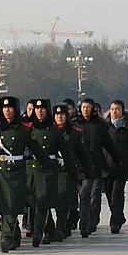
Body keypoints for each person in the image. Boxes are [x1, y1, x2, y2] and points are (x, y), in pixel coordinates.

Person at [0, 97, 55, 252]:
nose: (7, 110)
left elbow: (36, 148)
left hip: (17, 171)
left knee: (11, 206)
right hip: (0, 170)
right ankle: (14, 234)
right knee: (2, 205)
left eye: (10, 108)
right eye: (4, 108)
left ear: (16, 109)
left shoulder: (24, 130)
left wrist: (48, 164)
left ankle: (6, 237)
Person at [27, 98, 75, 246]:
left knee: (43, 203)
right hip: (31, 170)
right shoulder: (28, 128)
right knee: (34, 203)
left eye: (42, 109)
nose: (39, 112)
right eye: (37, 109)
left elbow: (66, 153)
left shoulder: (56, 130)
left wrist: (72, 171)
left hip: (48, 171)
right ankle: (50, 230)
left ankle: (38, 233)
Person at [74, 98, 119, 238]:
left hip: (93, 167)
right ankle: (80, 222)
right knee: (79, 197)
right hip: (76, 166)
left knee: (88, 195)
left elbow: (109, 145)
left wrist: (117, 161)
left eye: (88, 107)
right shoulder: (75, 124)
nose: (85, 110)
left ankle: (86, 225)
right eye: (83, 107)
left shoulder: (100, 126)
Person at [52, 102, 92, 241]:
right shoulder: (49, 131)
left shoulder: (74, 133)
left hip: (69, 172)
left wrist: (88, 171)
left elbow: (83, 154)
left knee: (66, 202)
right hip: (52, 171)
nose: (59, 117)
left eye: (62, 114)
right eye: (57, 115)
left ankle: (63, 227)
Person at [103, 99, 128, 234]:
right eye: (112, 109)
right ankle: (119, 216)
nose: (115, 112)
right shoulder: (104, 126)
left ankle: (115, 222)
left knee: (117, 194)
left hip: (122, 167)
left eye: (117, 109)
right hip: (106, 166)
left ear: (122, 111)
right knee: (108, 194)